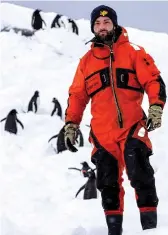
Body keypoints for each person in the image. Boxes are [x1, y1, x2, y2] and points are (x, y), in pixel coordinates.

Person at [63, 5, 166, 235]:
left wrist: (156, 108)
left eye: (107, 22)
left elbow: (154, 80)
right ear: (93, 27)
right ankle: (114, 232)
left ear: (115, 24)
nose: (102, 27)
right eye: (98, 24)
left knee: (141, 176)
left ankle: (151, 231)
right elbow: (77, 95)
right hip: (102, 134)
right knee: (108, 186)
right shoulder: (86, 62)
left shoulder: (134, 52)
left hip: (132, 127)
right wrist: (71, 124)